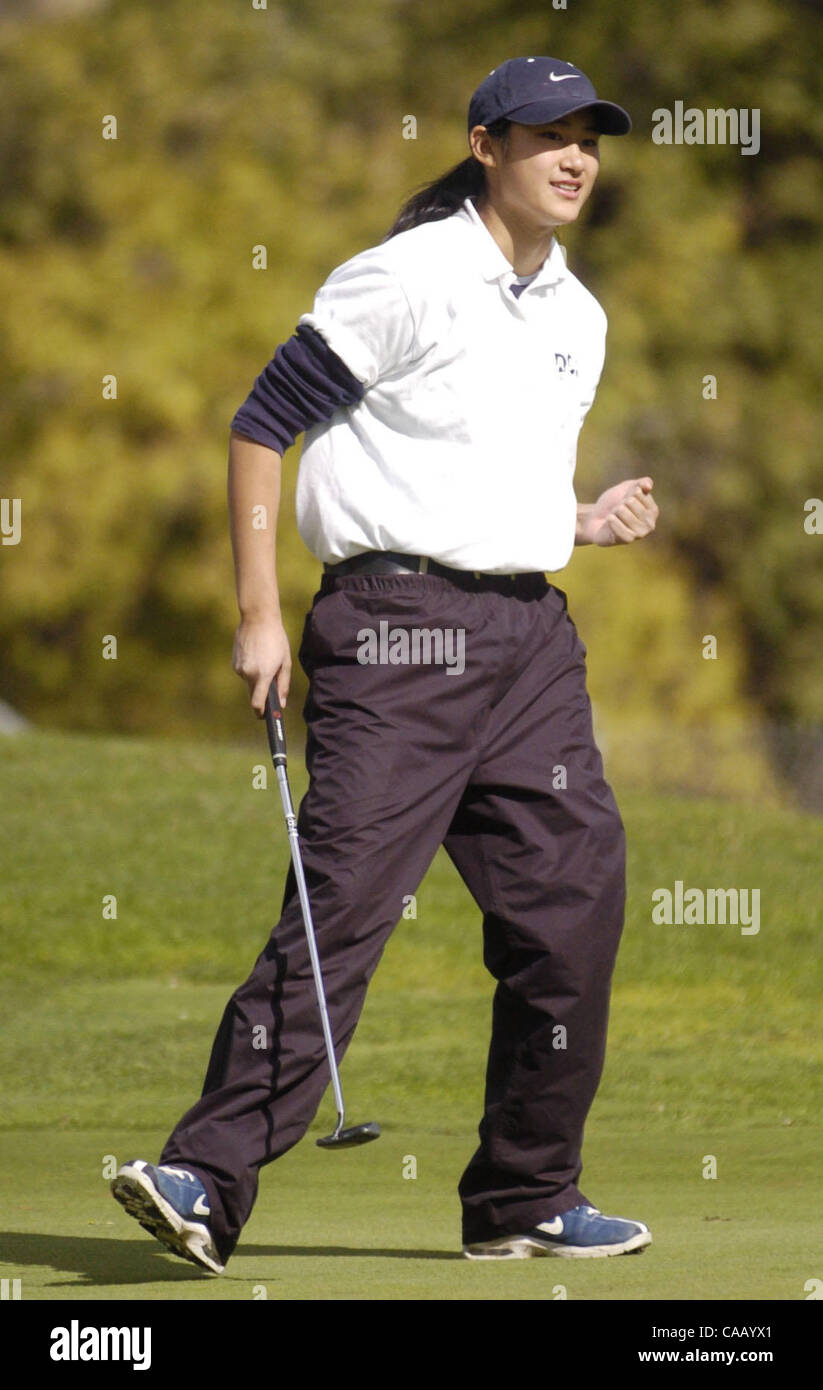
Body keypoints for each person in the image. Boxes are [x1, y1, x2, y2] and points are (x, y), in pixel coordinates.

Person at [112, 55, 658, 1272]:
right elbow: (264, 425)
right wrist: (258, 612)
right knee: (343, 907)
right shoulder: (405, 275)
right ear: (484, 146)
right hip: (393, 638)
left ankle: (524, 1193)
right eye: (545, 136)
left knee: (575, 911)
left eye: (590, 139)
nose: (574, 158)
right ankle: (202, 1177)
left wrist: (575, 520)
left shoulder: (579, 314)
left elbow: (472, 475)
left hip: (529, 648)